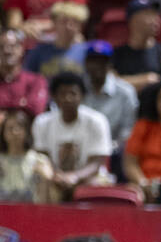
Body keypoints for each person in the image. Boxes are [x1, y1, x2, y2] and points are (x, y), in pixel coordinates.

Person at [33, 71, 112, 200]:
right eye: (62, 94)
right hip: (54, 177)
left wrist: (75, 177)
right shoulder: (42, 122)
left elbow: (97, 162)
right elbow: (43, 158)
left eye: (73, 93)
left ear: (82, 96)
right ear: (54, 97)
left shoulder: (97, 121)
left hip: (89, 176)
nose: (67, 98)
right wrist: (57, 176)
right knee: (42, 180)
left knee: (94, 184)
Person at [81, 41, 138, 155]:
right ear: (86, 63)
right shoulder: (77, 88)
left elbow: (128, 131)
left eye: (103, 61)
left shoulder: (125, 92)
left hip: (114, 151)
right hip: (81, 149)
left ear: (110, 65)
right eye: (93, 61)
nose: (97, 66)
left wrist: (106, 150)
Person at [22, 0, 87, 79]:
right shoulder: (39, 51)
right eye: (64, 21)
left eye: (74, 22)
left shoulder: (86, 52)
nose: (68, 27)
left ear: (81, 26)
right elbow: (27, 78)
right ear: (54, 24)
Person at [0, 107, 53, 202]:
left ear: (27, 131)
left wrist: (46, 180)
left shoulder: (40, 160)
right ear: (3, 133)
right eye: (10, 128)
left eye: (19, 127)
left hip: (30, 213)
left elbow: (45, 204)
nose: (15, 132)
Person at [114, 0, 161, 93]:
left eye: (156, 14)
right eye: (149, 14)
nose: (156, 19)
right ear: (133, 20)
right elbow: (110, 84)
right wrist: (145, 80)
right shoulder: (117, 54)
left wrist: (126, 81)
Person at [0, 30, 49, 116]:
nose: (7, 50)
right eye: (1, 47)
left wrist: (4, 109)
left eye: (12, 46)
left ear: (21, 49)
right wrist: (21, 103)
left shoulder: (36, 80)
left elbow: (36, 109)